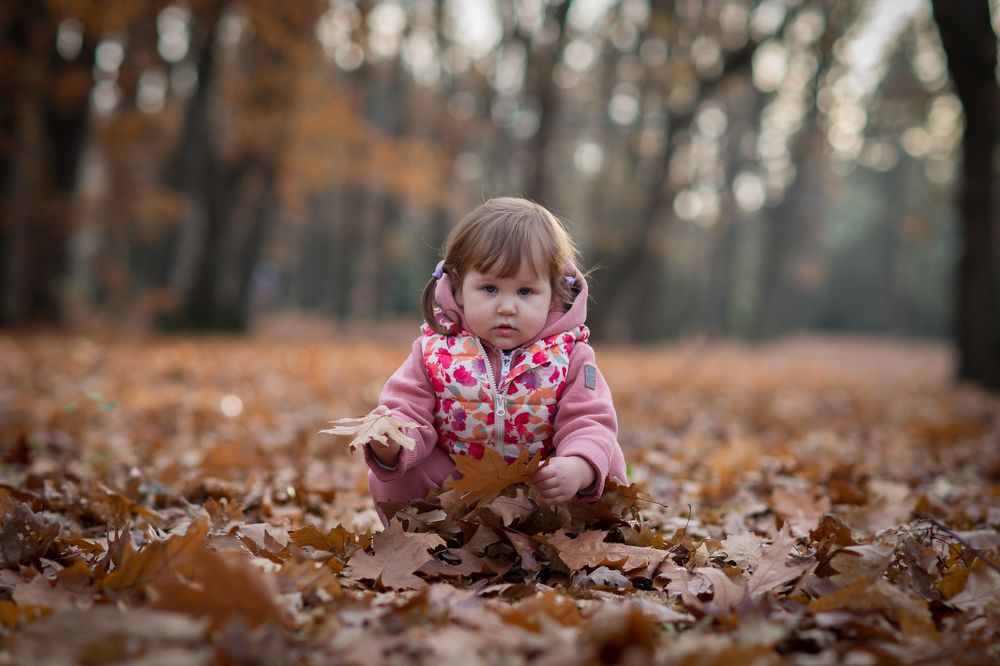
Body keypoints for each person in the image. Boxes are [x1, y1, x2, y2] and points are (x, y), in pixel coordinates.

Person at [364, 197, 627, 524]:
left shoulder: (571, 355)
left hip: (543, 493)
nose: (507, 307)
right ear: (459, 289)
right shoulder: (434, 350)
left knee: (606, 457)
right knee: (395, 475)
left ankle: (584, 533)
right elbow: (407, 408)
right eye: (489, 288)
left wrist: (577, 465)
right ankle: (427, 536)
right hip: (458, 493)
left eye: (525, 292)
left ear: (554, 295)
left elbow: (590, 419)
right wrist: (393, 440)